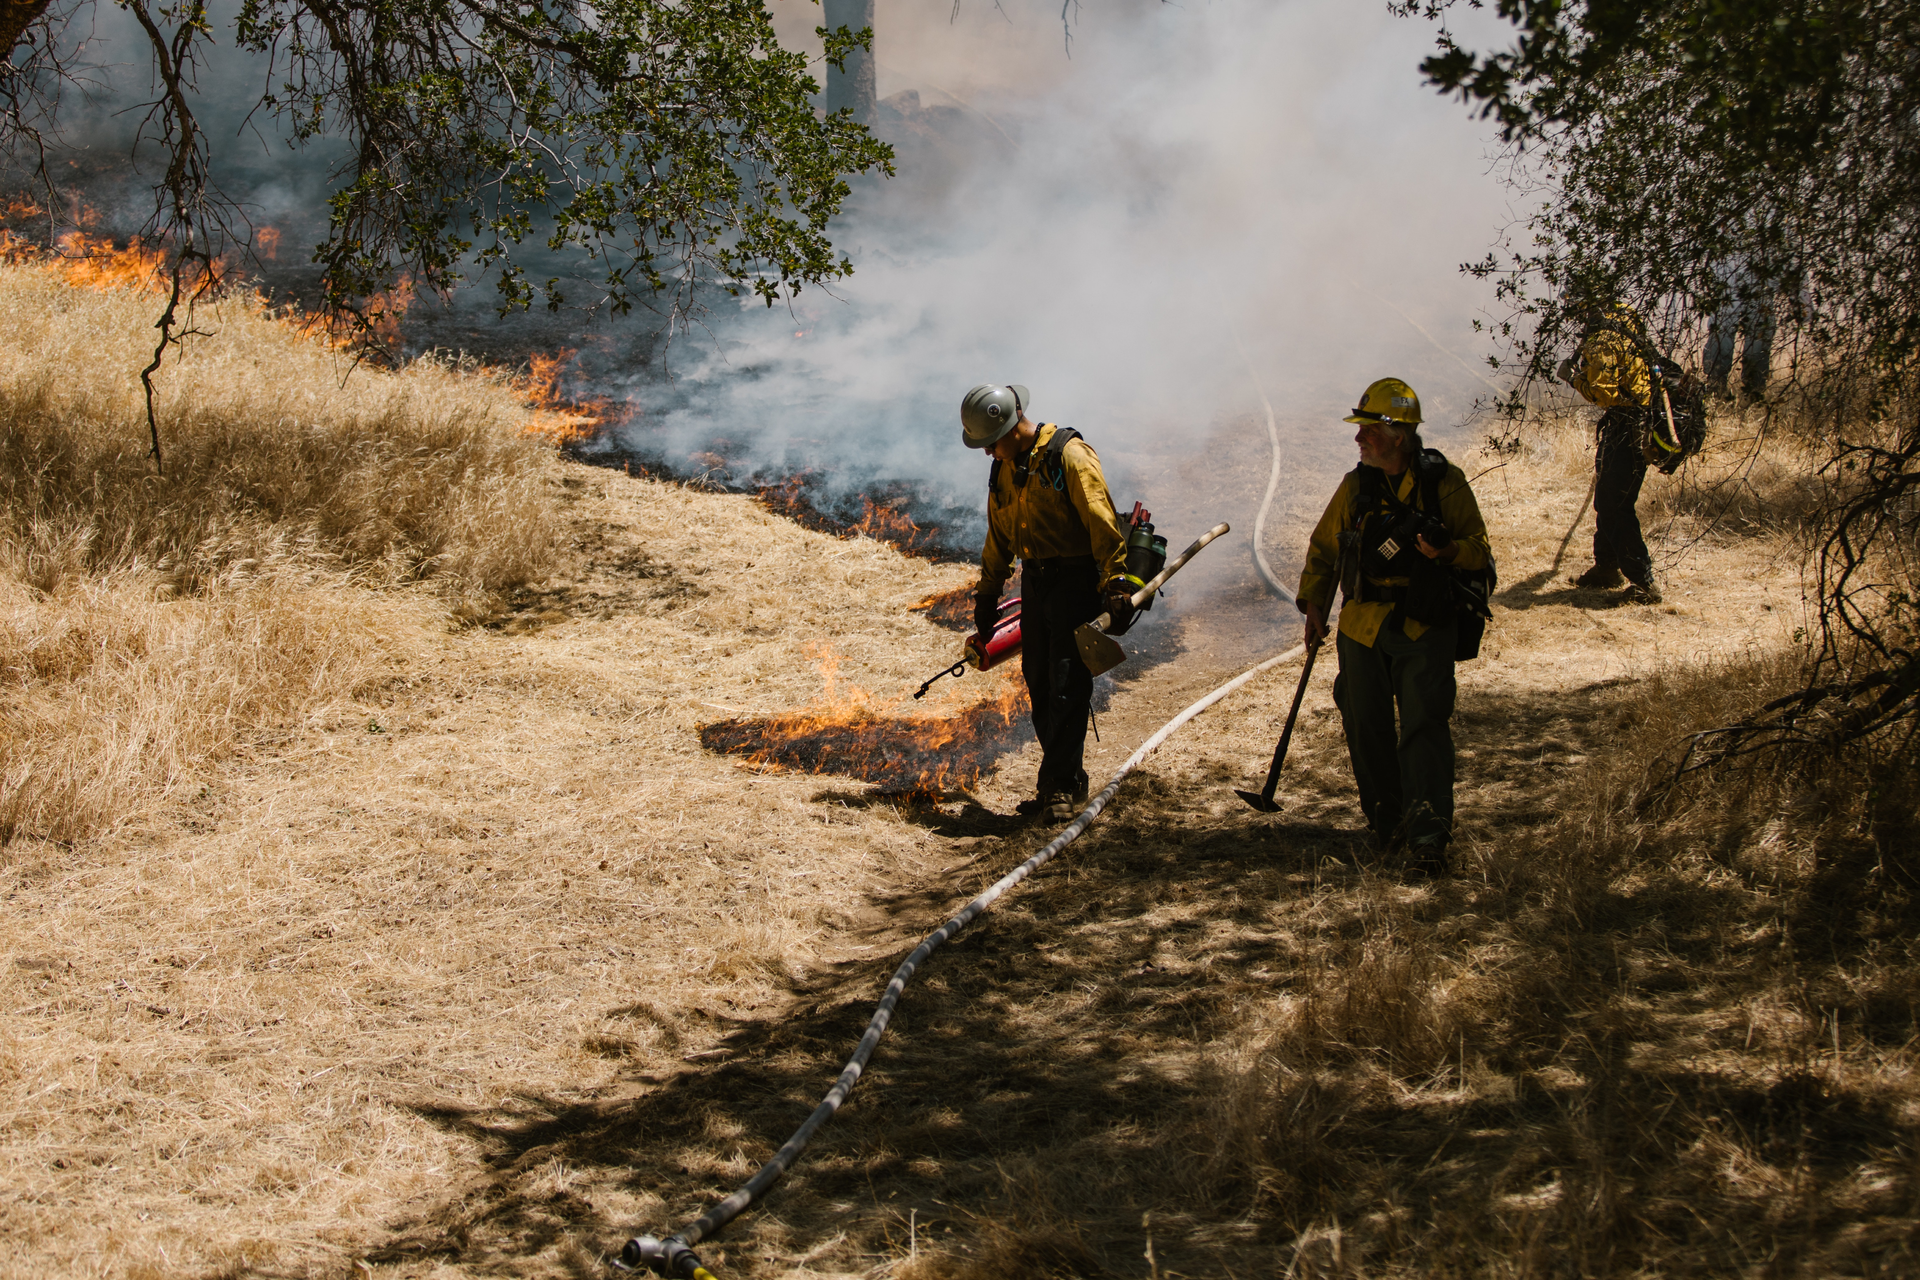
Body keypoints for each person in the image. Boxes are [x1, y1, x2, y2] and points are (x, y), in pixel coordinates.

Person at [1295, 378, 1491, 874]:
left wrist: (1446, 552)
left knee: (1424, 729)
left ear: (1398, 435)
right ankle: (1388, 826)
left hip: (1425, 626)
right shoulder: (1355, 486)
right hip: (1361, 628)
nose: (1358, 439)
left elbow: (1479, 551)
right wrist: (1313, 605)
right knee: (1366, 728)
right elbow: (1324, 552)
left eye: (1368, 430)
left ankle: (1428, 841)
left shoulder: (1445, 483)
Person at [963, 384, 1133, 823]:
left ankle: (1055, 786)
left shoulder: (1069, 455)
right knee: (1039, 683)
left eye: (990, 444)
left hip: (1077, 581)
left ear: (1011, 426)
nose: (987, 454)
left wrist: (1114, 581)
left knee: (1065, 683)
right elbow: (999, 534)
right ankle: (1069, 778)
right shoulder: (1003, 468)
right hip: (1036, 583)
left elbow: (1101, 518)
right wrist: (988, 592)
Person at [1556, 303, 1664, 604]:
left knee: (1614, 503)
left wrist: (1573, 378)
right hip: (1633, 421)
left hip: (1627, 425)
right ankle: (1606, 568)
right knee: (1607, 496)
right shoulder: (1625, 315)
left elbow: (1604, 393)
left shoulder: (1601, 339)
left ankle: (1644, 583)